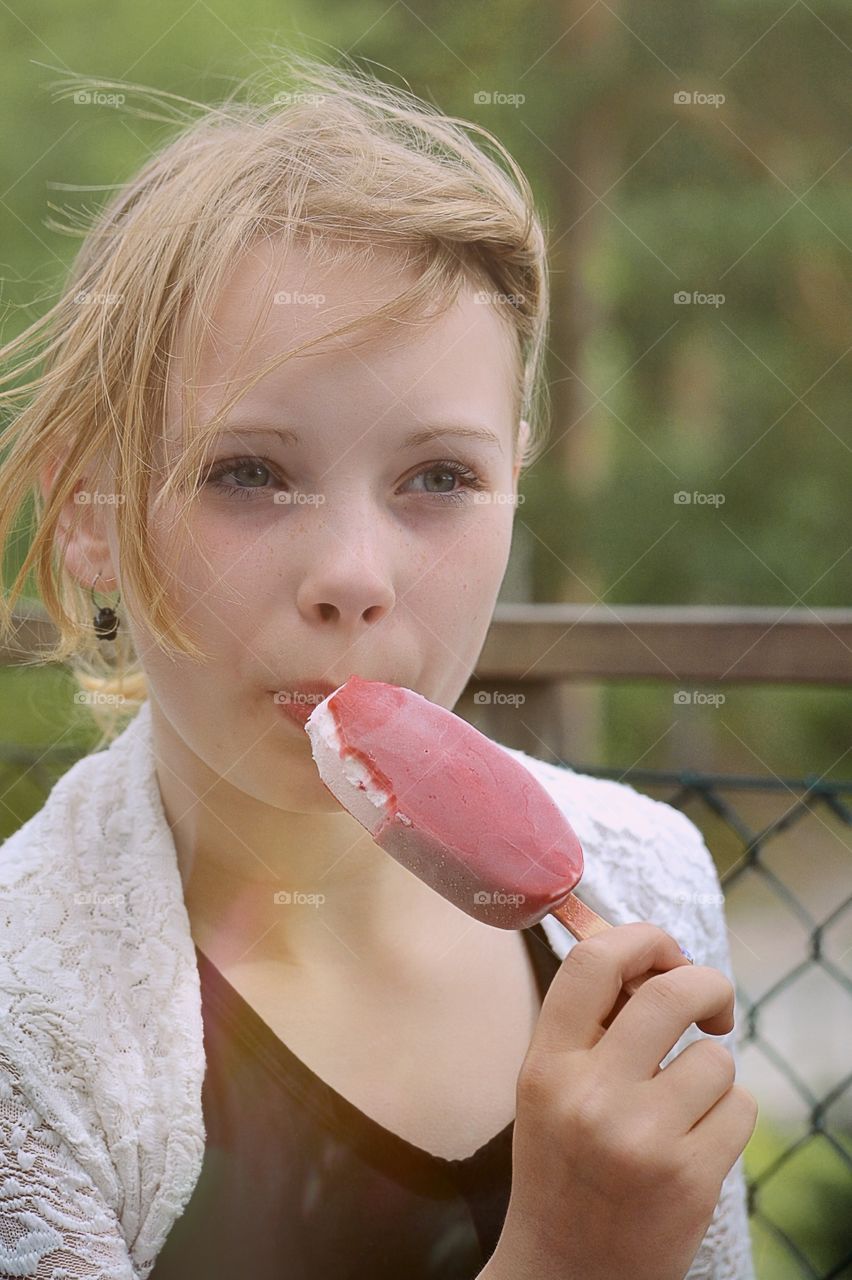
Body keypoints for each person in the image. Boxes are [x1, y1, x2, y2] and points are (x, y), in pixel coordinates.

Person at [0, 51, 757, 1279]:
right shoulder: (25, 1022)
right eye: (248, 470)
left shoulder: (647, 879)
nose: (354, 573)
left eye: (439, 477)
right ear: (87, 511)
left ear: (515, 480)